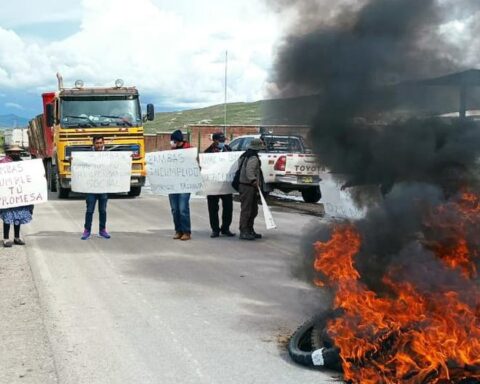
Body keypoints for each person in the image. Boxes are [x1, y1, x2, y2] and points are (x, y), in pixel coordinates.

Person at [0, 145, 33, 247]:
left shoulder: (22, 163)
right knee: (7, 217)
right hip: (8, 195)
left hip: (19, 195)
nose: (15, 154)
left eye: (17, 152)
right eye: (13, 152)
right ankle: (6, 238)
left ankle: (17, 237)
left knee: (18, 216)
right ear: (8, 153)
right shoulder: (3, 163)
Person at [204, 132, 235, 238]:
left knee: (228, 207)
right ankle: (215, 229)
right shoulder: (207, 153)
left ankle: (225, 228)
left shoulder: (229, 150)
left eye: (223, 140)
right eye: (220, 141)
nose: (222, 142)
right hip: (213, 184)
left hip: (226, 184)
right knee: (213, 208)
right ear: (215, 141)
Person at [81, 136, 111, 240]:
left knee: (102, 210)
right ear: (93, 144)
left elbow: (117, 164)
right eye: (97, 143)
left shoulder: (109, 154)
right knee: (89, 210)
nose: (99, 145)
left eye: (100, 143)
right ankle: (87, 230)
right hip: (91, 187)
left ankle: (102, 230)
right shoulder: (87, 155)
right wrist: (73, 161)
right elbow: (79, 164)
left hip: (103, 187)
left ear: (103, 143)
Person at [238, 138, 265, 240]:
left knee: (253, 210)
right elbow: (250, 172)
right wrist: (254, 181)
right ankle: (244, 231)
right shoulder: (253, 158)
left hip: (246, 186)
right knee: (247, 210)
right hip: (248, 186)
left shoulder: (245, 155)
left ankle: (249, 230)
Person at [169, 129, 192, 241]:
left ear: (178, 141)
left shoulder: (189, 151)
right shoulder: (171, 152)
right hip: (173, 184)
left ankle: (186, 231)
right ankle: (178, 230)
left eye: (173, 140)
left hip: (185, 184)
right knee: (174, 209)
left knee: (182, 208)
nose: (171, 143)